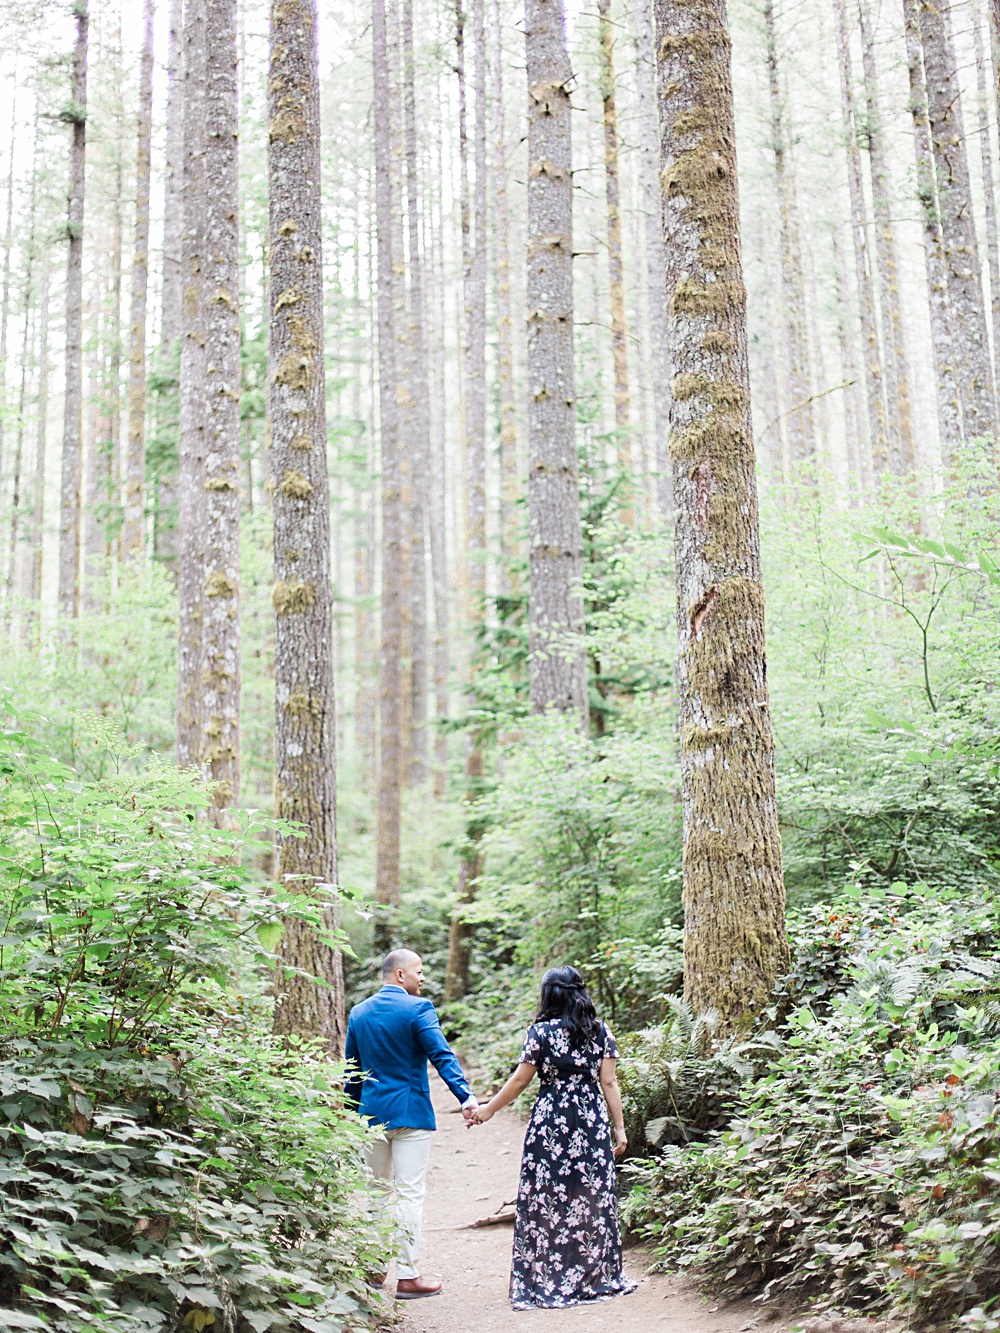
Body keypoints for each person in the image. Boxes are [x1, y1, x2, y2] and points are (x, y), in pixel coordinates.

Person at [471, 965, 636, 1310]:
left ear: (549, 995)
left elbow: (520, 1081)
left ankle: (549, 1276)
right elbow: (609, 1082)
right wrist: (618, 1127)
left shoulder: (540, 1033)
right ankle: (593, 1275)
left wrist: (489, 1109)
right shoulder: (600, 1031)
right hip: (590, 1121)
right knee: (592, 1194)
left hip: (551, 1121)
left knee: (547, 1195)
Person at [344, 948, 478, 1299]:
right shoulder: (419, 1009)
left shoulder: (359, 1012)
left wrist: (348, 1113)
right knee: (409, 1193)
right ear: (400, 974)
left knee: (375, 1194)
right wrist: (466, 1098)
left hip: (370, 1116)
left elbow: (352, 1071)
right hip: (411, 1114)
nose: (423, 977)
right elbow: (441, 1056)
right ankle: (408, 1277)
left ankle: (373, 1270)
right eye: (419, 971)